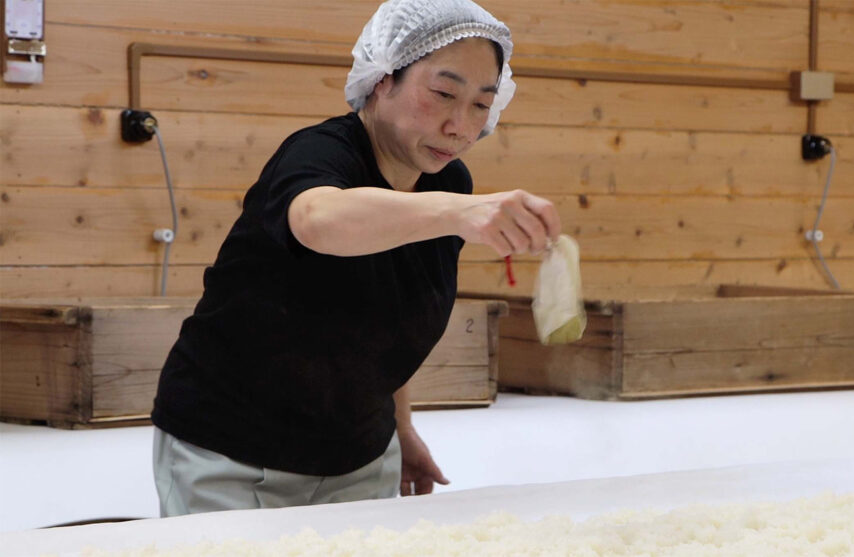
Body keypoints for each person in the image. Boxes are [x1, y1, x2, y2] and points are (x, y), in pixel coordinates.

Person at [150, 0, 560, 516]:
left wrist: (401, 429)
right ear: (383, 78)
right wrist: (458, 212)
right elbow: (318, 219)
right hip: (231, 453)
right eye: (442, 94)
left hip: (360, 457)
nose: (461, 126)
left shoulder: (449, 183)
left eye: (481, 104)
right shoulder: (320, 153)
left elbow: (393, 315)